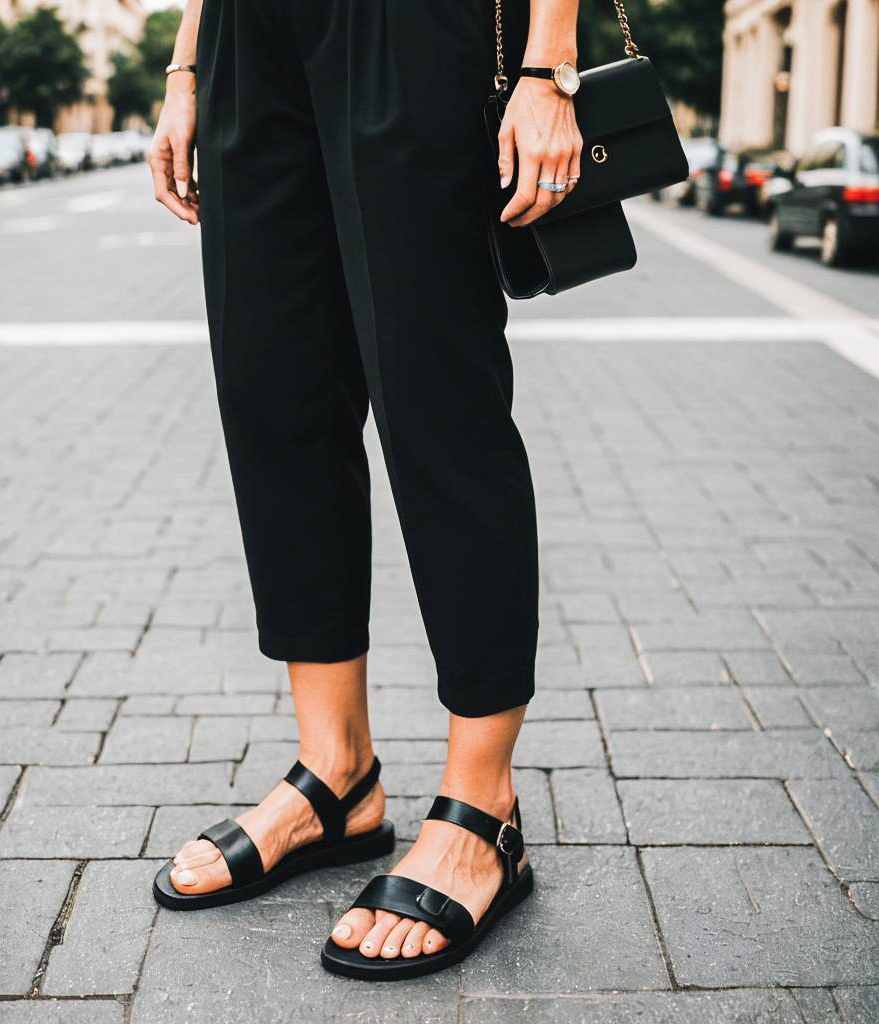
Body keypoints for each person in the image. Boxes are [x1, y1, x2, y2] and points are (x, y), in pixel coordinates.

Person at [148, 0, 582, 980]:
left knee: (437, 397)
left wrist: (549, 62)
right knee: (276, 393)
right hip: (248, 36)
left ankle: (483, 808)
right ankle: (336, 774)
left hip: (416, 24)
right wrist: (187, 66)